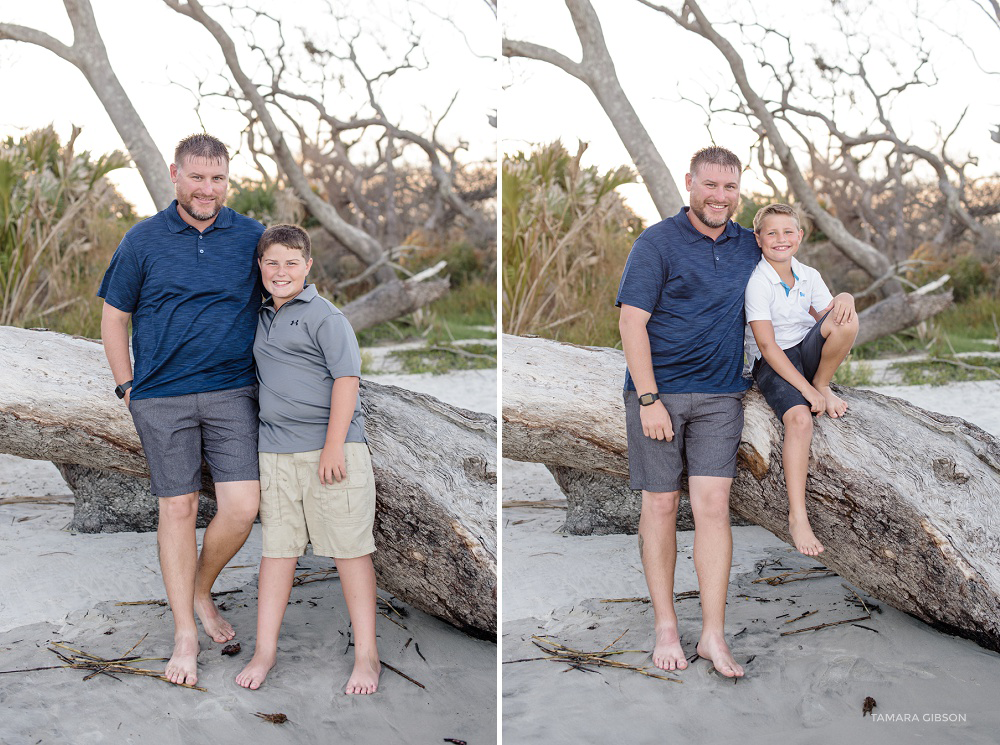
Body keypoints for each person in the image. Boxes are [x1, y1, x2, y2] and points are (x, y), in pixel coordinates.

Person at [99, 134, 264, 686]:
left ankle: (199, 588)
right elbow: (114, 316)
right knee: (178, 508)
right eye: (197, 177)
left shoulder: (250, 237)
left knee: (242, 505)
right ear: (176, 175)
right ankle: (185, 633)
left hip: (231, 391)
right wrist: (127, 386)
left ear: (226, 179)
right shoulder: (143, 240)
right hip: (161, 396)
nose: (208, 189)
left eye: (217, 178)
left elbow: (285, 294)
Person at [617, 146, 760, 678]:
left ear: (738, 191)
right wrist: (650, 399)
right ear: (690, 184)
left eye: (729, 188)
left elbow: (795, 283)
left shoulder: (751, 245)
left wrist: (838, 299)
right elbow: (632, 324)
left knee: (713, 507)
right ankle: (666, 626)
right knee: (659, 506)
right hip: (661, 394)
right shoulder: (656, 243)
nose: (719, 197)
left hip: (723, 395)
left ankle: (713, 636)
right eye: (710, 186)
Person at [235, 225, 380, 695]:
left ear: (308, 266)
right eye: (272, 262)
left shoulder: (325, 316)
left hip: (330, 451)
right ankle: (265, 652)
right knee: (277, 552)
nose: (281, 272)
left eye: (291, 262)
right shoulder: (257, 316)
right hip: (275, 452)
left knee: (349, 550)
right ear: (260, 266)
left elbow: (346, 379)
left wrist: (334, 445)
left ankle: (367, 657)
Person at [744, 203, 859, 556]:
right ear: (759, 238)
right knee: (799, 419)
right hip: (772, 360)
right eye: (772, 233)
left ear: (800, 236)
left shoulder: (808, 274)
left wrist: (846, 296)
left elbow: (829, 317)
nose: (781, 239)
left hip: (805, 350)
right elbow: (767, 344)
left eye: (788, 232)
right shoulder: (758, 281)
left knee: (848, 319)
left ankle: (825, 381)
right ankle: (798, 515)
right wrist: (804, 390)